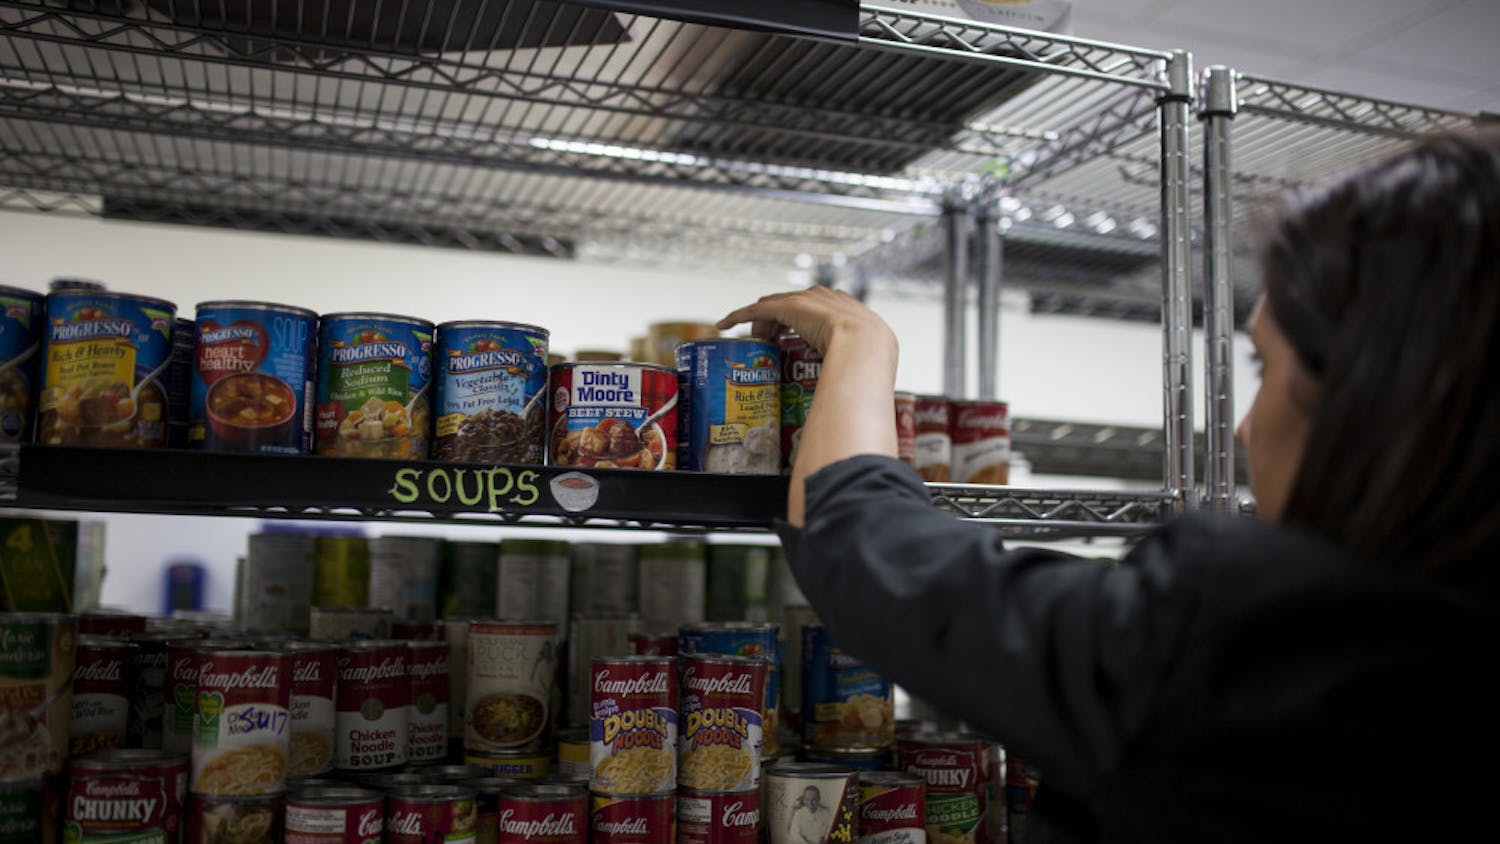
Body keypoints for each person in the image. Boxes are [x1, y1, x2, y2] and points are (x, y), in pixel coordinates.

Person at [717, 129, 1500, 842]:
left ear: (1379, 399)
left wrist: (858, 340)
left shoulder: (1259, 635)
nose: (1241, 427)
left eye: (1265, 366)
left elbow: (869, 550)